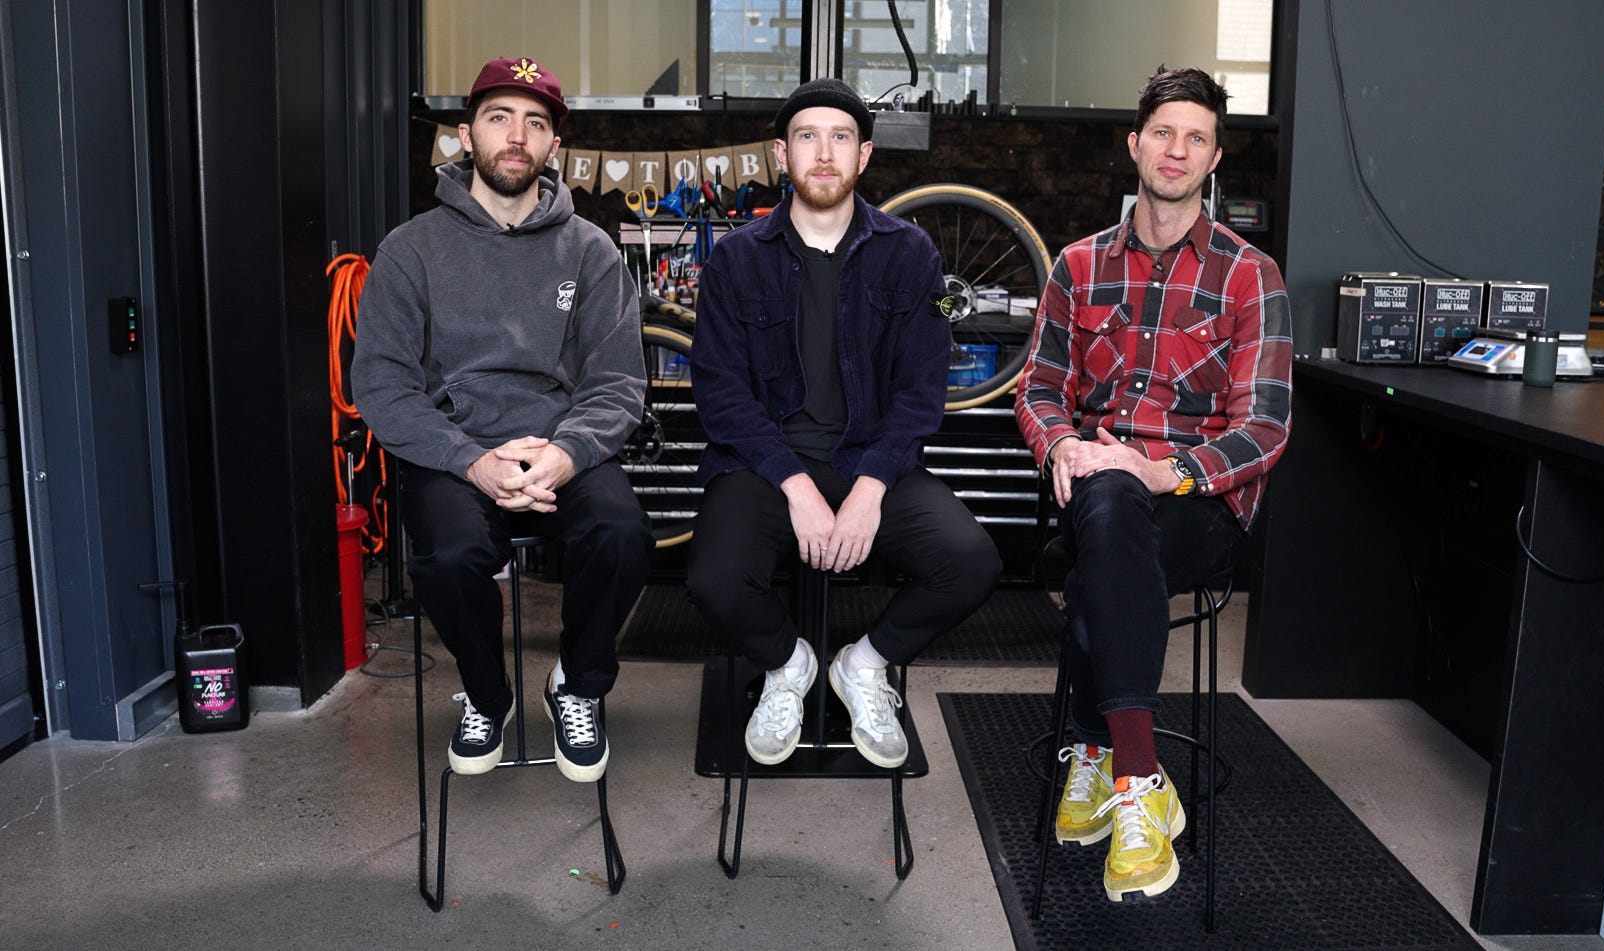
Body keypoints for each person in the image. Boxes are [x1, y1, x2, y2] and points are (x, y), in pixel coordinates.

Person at [1014, 66, 1292, 901]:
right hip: (1094, 495)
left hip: (1196, 510)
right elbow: (1036, 389)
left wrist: (1155, 469)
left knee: (1112, 514)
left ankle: (1109, 761)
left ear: (1213, 160)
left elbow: (1266, 426)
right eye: (1162, 133)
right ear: (1133, 145)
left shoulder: (1250, 274)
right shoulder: (1076, 264)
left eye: (1195, 138)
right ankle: (1137, 777)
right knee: (1103, 502)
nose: (1176, 150)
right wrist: (1062, 446)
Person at [687, 78, 1001, 770]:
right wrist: (797, 487)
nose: (822, 153)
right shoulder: (735, 259)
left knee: (970, 560)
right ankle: (787, 663)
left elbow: (922, 392)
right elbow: (720, 394)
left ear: (862, 156)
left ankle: (862, 665)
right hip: (764, 466)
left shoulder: (911, 253)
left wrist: (867, 489)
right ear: (781, 154)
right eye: (806, 137)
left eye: (839, 138)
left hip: (871, 461)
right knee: (713, 577)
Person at [353, 57, 652, 783]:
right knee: (449, 558)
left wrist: (567, 453)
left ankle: (576, 685)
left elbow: (618, 383)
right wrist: (471, 460)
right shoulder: (410, 250)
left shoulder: (591, 250)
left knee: (622, 534)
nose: (516, 136)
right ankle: (488, 696)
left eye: (535, 122)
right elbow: (383, 386)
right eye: (498, 118)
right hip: (456, 452)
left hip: (560, 448)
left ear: (554, 146)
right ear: (465, 136)